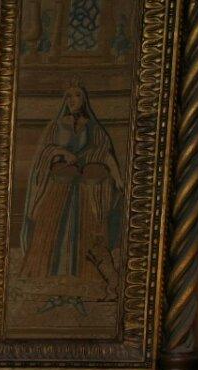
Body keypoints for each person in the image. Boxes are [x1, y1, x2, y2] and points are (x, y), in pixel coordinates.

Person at [18, 81, 124, 295]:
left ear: (84, 100)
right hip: (59, 185)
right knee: (52, 226)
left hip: (84, 189)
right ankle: (46, 273)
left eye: (77, 96)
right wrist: (61, 152)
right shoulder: (56, 126)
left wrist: (117, 176)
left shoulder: (92, 127)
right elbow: (44, 152)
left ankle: (87, 273)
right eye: (69, 96)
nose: (72, 100)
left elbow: (103, 152)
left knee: (88, 225)